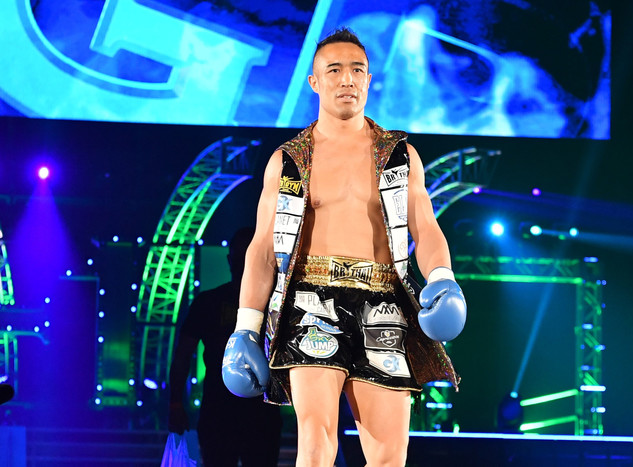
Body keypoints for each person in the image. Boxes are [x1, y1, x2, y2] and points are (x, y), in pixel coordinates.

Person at [222, 28, 466, 466]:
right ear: (314, 81)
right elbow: (263, 248)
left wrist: (443, 278)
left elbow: (425, 228)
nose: (347, 79)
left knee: (389, 456)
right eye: (334, 70)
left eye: (357, 70)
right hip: (311, 303)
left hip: (384, 303)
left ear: (369, 80)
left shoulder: (398, 155)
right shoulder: (290, 160)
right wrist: (246, 326)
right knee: (316, 444)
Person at [169, 227, 282, 466]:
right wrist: (175, 402)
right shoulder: (273, 304)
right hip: (231, 411)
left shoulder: (209, 301)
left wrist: (176, 402)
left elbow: (182, 355)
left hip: (249, 412)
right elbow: (182, 355)